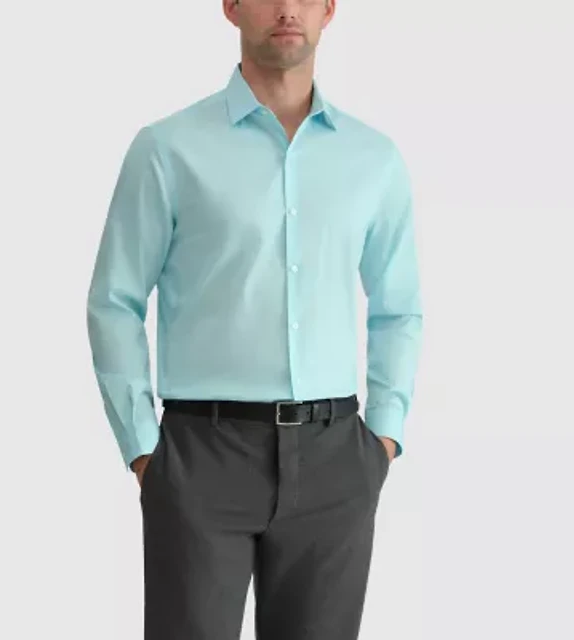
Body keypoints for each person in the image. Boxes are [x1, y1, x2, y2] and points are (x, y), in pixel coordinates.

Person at [86, 0, 423, 637]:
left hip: (336, 458)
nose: (287, 9)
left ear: (329, 9)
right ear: (232, 6)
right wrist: (143, 450)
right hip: (201, 455)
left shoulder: (373, 159)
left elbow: (398, 308)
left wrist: (382, 437)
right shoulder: (167, 149)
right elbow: (115, 299)